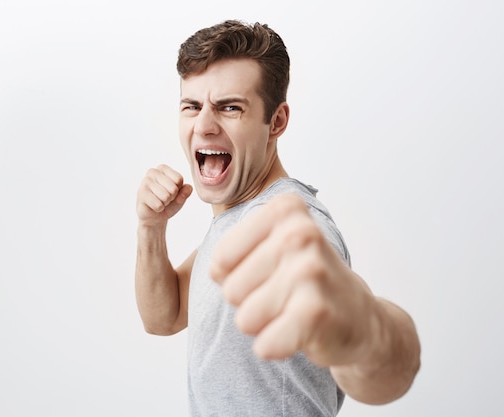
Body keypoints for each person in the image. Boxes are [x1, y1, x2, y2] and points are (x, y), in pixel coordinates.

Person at [135, 19, 420, 416]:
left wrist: (362, 327)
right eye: (192, 106)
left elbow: (393, 369)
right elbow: (163, 317)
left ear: (277, 122)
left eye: (229, 107)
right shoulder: (233, 223)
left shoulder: (289, 223)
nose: (203, 125)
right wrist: (151, 227)